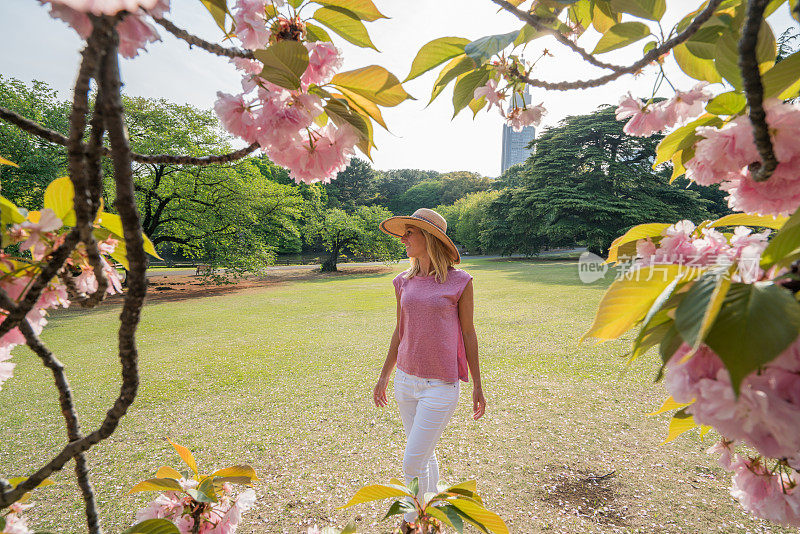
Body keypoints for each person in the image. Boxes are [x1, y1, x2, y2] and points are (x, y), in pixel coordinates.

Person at [373, 208, 486, 532]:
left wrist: (477, 385)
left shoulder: (460, 281)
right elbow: (399, 330)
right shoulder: (402, 282)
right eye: (404, 233)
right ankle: (431, 514)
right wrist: (384, 376)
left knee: (412, 460)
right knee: (425, 455)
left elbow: (468, 333)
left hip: (441, 386)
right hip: (405, 382)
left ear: (430, 239)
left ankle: (413, 520)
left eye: (411, 233)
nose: (404, 239)